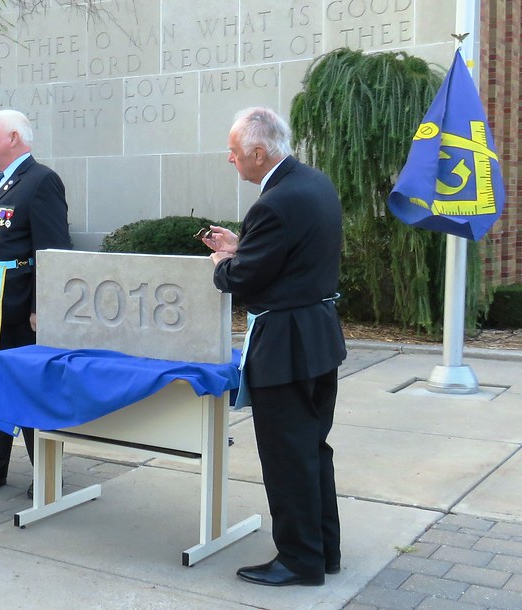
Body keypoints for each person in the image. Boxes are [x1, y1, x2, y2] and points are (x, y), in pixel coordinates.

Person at [202, 107, 347, 587]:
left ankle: (300, 561)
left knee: (287, 457)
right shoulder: (313, 183)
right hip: (318, 336)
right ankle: (323, 551)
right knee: (312, 449)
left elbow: (244, 280)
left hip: (286, 344)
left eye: (234, 151)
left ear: (259, 153)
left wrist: (224, 263)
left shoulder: (274, 203)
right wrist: (243, 246)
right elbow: (289, 257)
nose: (230, 159)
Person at [0, 109, 72, 497]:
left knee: (29, 391)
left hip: (20, 310)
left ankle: (47, 472)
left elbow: (53, 250)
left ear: (13, 138)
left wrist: (43, 305)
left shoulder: (40, 181)